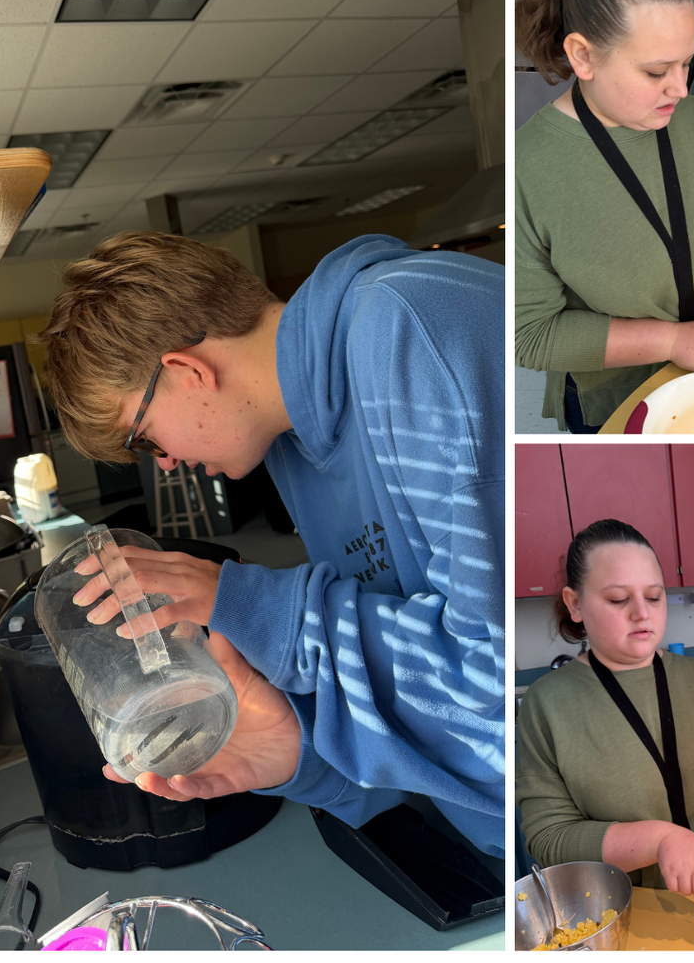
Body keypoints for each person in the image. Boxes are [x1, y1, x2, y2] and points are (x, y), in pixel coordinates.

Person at [38, 230, 505, 859]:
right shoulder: (291, 443)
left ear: (185, 371)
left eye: (145, 438)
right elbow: (440, 705)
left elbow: (503, 694)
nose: (167, 464)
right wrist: (298, 749)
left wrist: (253, 607)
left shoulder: (407, 333)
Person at [515, 0, 694, 433]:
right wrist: (673, 341)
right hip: (617, 404)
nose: (681, 89)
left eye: (687, 63)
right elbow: (530, 335)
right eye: (655, 71)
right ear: (583, 56)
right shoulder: (530, 165)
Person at [516, 519, 694, 900]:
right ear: (575, 604)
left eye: (654, 596)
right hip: (631, 923)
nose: (642, 613)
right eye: (619, 599)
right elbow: (550, 837)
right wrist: (659, 839)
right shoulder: (546, 704)